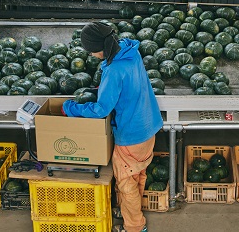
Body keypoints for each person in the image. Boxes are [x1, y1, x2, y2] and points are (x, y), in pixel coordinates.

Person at [62, 21, 163, 232]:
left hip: (131, 134)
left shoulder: (114, 70)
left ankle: (135, 226)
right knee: (138, 174)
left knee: (126, 184)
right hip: (149, 125)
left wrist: (71, 109)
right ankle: (130, 211)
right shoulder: (130, 52)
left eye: (91, 51)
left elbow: (101, 109)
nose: (91, 55)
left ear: (100, 47)